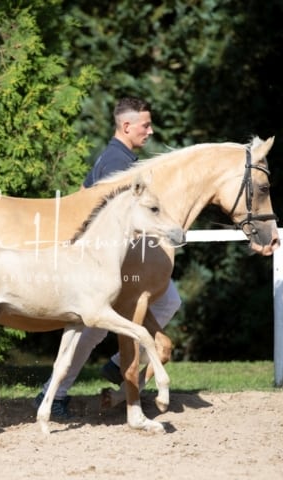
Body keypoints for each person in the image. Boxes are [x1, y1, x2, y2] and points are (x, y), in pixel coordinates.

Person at [34, 97, 182, 417]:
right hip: (106, 262)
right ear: (126, 126)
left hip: (116, 258)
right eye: (145, 125)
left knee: (169, 300)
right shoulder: (118, 164)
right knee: (92, 330)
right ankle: (55, 393)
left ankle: (106, 371)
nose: (151, 131)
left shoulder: (120, 158)